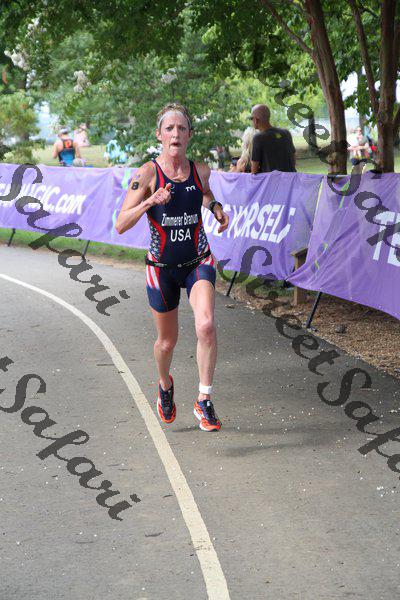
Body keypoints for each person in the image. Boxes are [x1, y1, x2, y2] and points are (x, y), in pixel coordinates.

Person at [115, 103, 229, 432]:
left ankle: (204, 399)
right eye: (169, 129)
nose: (175, 134)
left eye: (181, 128)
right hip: (161, 267)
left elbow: (203, 193)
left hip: (197, 260)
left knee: (206, 325)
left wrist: (215, 207)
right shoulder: (146, 174)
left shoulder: (200, 170)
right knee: (167, 342)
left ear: (190, 135)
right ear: (159, 135)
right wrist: (150, 200)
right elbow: (121, 223)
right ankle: (165, 384)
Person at [249, 104, 296, 174]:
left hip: (272, 180)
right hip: (291, 178)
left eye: (251, 118)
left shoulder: (258, 138)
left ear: (256, 120)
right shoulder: (286, 133)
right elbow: (293, 159)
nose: (251, 121)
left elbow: (254, 170)